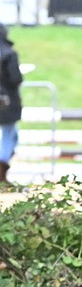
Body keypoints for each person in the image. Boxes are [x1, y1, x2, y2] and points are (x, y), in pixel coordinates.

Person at [0, 23, 22, 186]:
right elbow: (15, 79)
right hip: (6, 101)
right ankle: (1, 171)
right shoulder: (9, 54)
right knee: (10, 135)